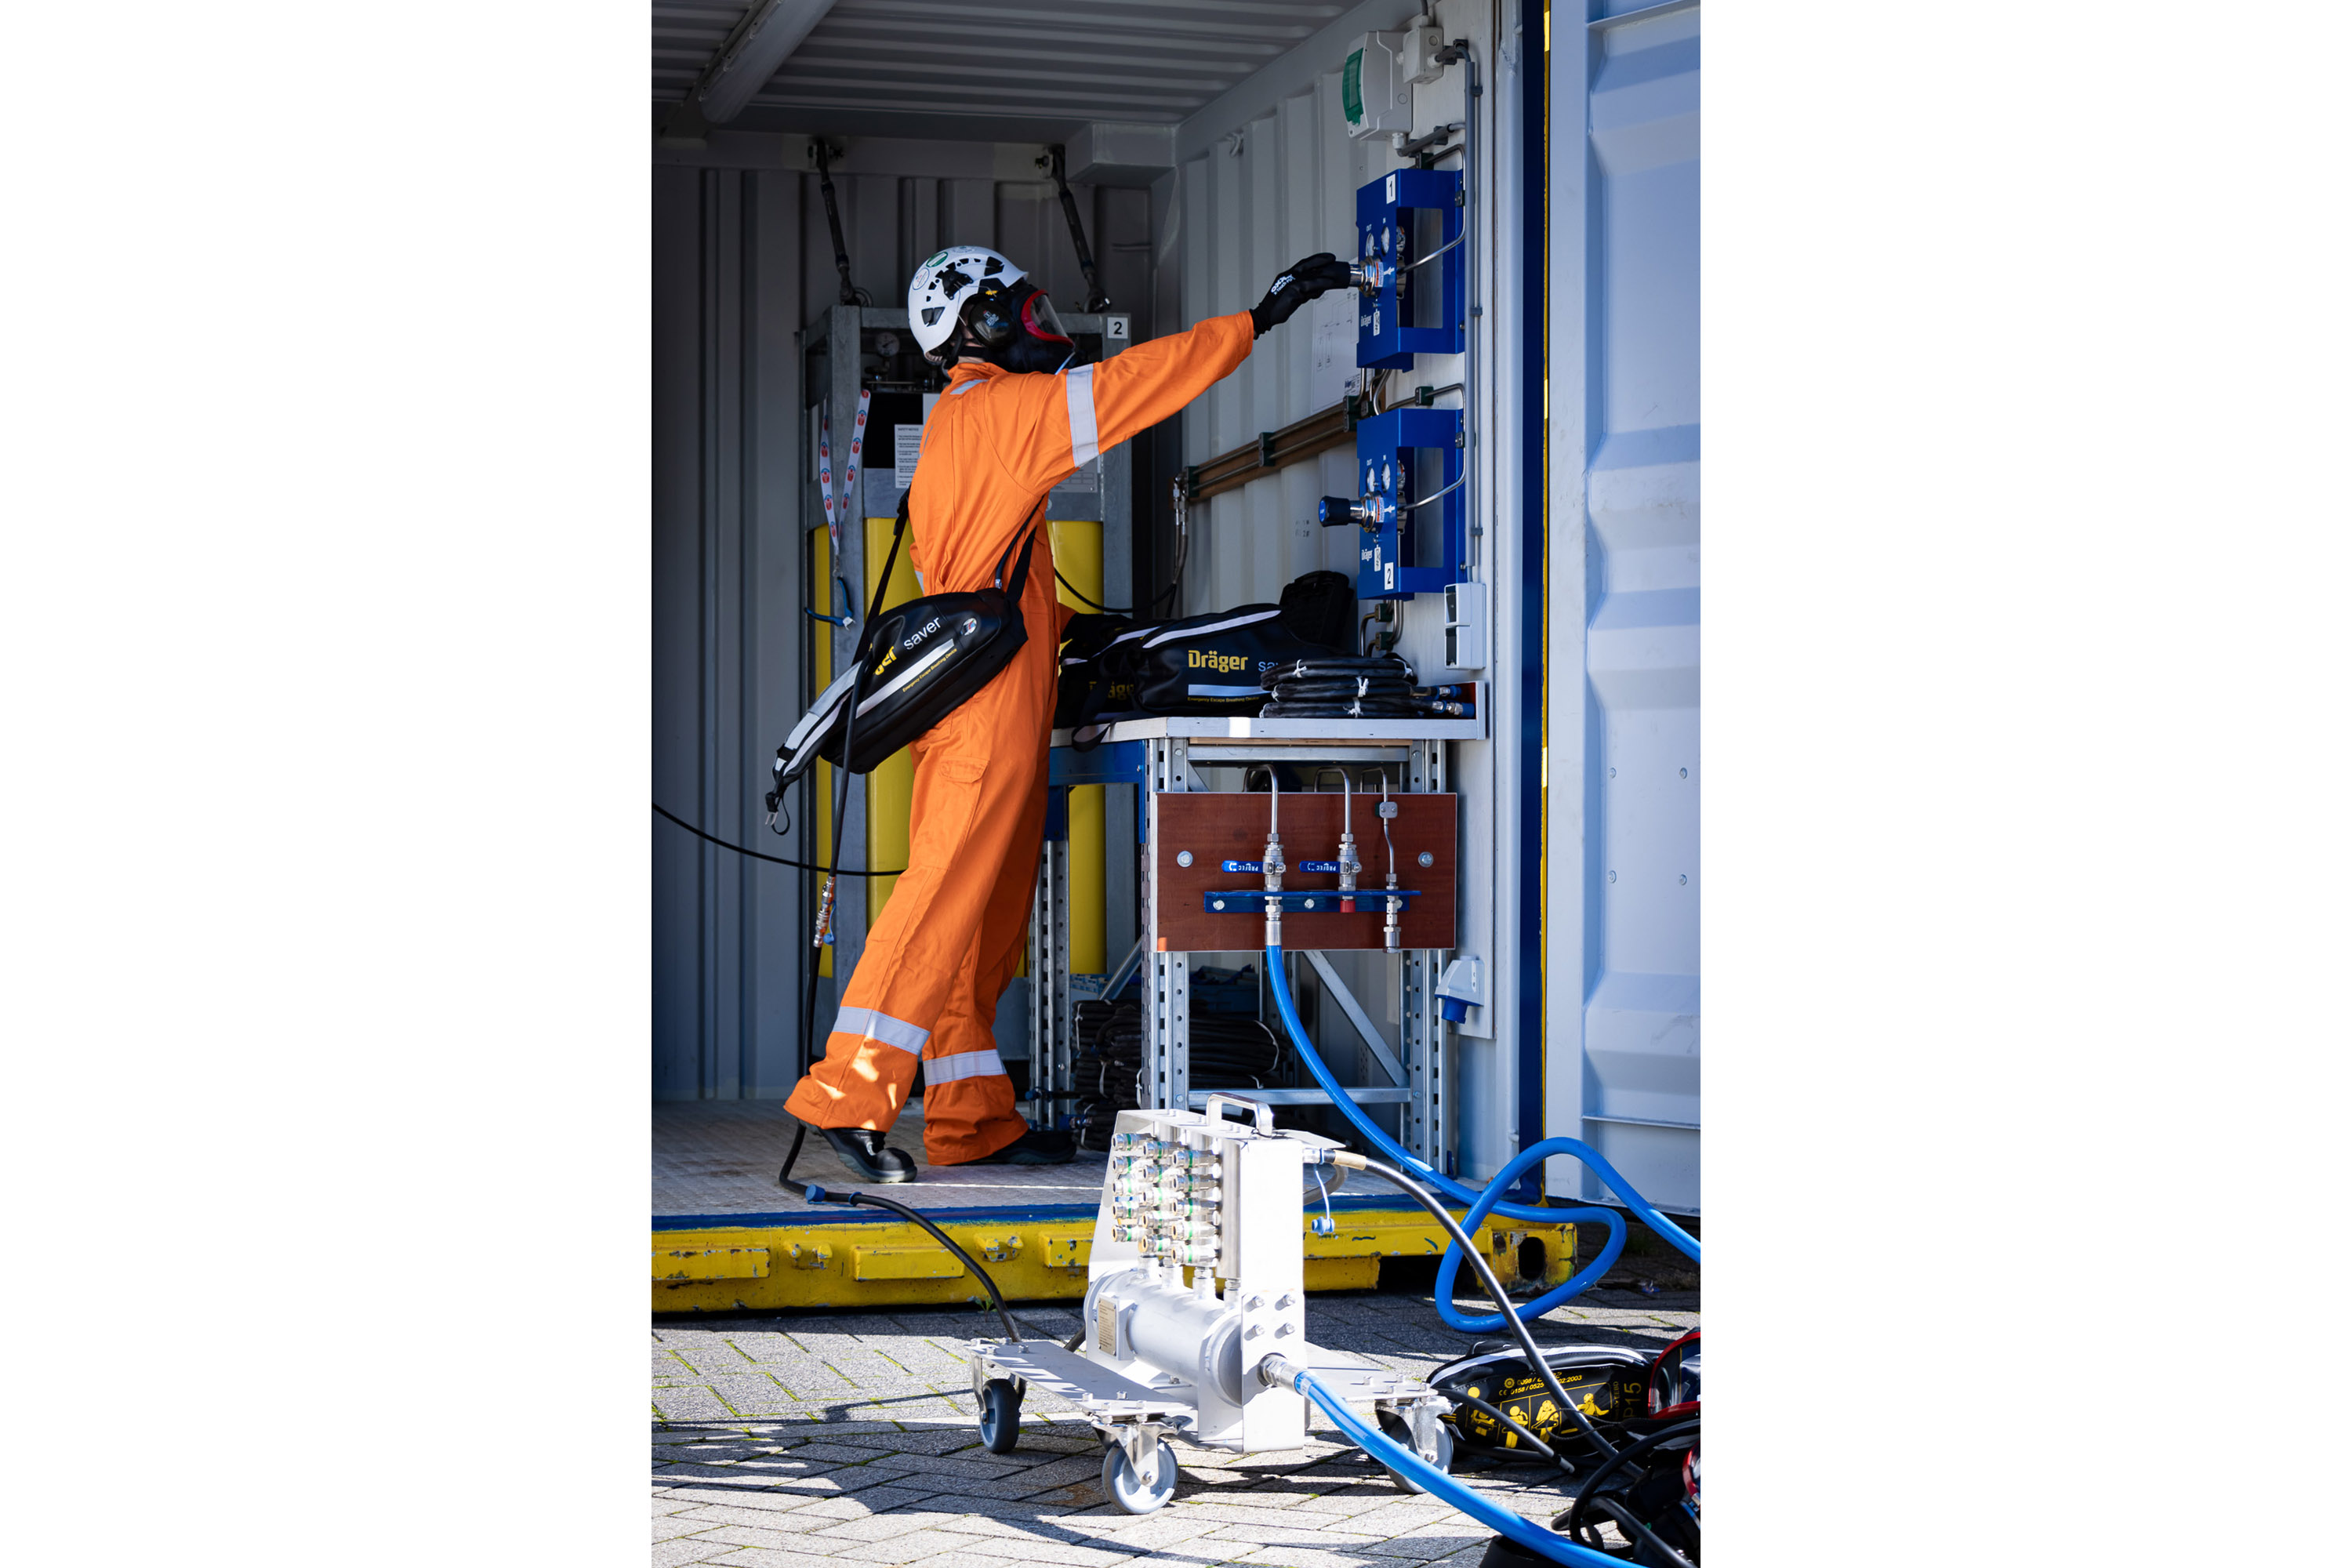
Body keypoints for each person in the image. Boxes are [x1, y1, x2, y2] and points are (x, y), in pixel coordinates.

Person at [783, 244, 1352, 1182]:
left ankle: (969, 1114)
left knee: (986, 914)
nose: (1035, 315)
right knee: (938, 904)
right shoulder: (1006, 412)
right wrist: (1256, 321)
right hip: (983, 713)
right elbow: (1135, 381)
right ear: (984, 324)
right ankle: (847, 1092)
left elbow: (983, 572)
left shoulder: (954, 430)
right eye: (1014, 303)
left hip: (988, 706)